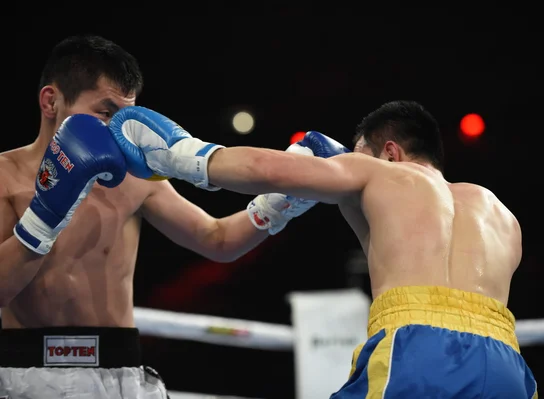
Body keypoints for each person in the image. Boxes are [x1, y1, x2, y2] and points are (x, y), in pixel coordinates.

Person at [112, 102, 538, 398]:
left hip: (418, 350)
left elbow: (263, 169)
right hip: (506, 363)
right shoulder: (501, 214)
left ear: (389, 152)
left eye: (362, 155)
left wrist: (180, 154)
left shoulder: (381, 174)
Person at [0, 35, 314, 399]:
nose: (117, 131)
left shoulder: (135, 179)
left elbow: (216, 239)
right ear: (51, 101)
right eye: (105, 113)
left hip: (119, 374)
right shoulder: (5, 176)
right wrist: (45, 216)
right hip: (26, 370)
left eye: (125, 114)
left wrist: (278, 204)